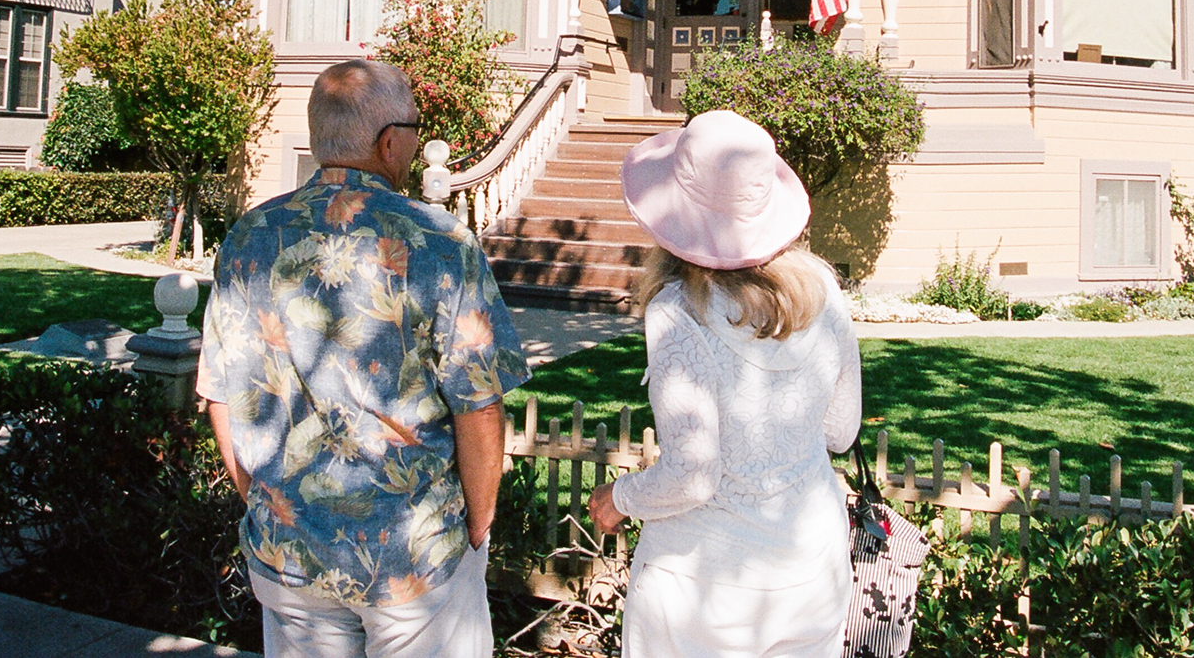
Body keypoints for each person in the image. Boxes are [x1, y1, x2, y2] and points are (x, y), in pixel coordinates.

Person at [198, 59, 529, 658]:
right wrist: (479, 523)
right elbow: (479, 406)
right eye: (415, 128)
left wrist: (260, 502)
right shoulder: (439, 241)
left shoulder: (248, 237)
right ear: (388, 141)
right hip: (414, 557)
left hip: (289, 554)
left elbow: (220, 393)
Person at [587, 109, 861, 658]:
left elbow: (692, 476)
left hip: (704, 587)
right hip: (813, 570)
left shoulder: (678, 311)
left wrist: (618, 497)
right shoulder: (823, 291)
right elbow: (840, 430)